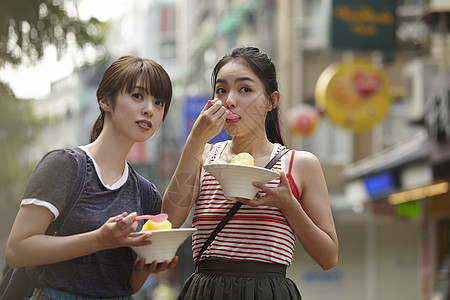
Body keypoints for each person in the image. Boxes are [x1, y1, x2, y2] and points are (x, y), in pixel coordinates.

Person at [162, 46, 338, 299]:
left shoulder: (299, 164)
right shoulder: (204, 156)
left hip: (269, 291)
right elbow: (169, 222)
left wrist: (288, 204)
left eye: (245, 89)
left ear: (271, 101)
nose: (229, 100)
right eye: (221, 90)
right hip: (206, 291)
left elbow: (328, 257)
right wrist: (195, 138)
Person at [5, 55, 178, 299]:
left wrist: (144, 270)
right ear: (106, 101)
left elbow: (125, 285)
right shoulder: (65, 166)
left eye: (159, 102)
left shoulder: (147, 193)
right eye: (138, 96)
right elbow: (16, 251)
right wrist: (99, 239)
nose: (150, 109)